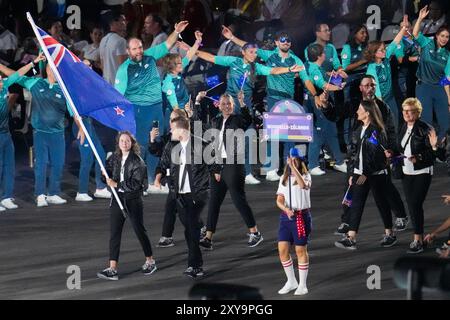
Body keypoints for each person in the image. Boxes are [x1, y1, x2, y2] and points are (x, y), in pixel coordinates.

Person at [221, 27, 323, 181]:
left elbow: (306, 79)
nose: (286, 42)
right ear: (276, 42)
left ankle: (290, 168)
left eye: (288, 40)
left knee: (290, 135)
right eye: (282, 39)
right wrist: (232, 37)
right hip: (273, 98)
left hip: (288, 99)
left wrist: (315, 94)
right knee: (273, 134)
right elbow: (249, 48)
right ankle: (271, 169)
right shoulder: (269, 55)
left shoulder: (296, 60)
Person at [195, 43, 303, 184]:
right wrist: (193, 50)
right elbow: (212, 58)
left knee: (247, 138)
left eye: (256, 52)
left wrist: (289, 69)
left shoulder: (256, 67)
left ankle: (246, 174)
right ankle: (220, 171)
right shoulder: (234, 61)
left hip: (245, 105)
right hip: (231, 105)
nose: (254, 54)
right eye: (251, 52)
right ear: (243, 52)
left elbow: (273, 70)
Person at [324, 75, 408, 235]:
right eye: (367, 85)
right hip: (357, 157)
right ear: (361, 88)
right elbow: (335, 115)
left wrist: (392, 151)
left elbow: (391, 131)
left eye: (373, 85)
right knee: (351, 189)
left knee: (385, 190)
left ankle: (401, 215)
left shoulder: (383, 107)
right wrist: (326, 104)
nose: (371, 88)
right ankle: (347, 221)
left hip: (377, 159)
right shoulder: (355, 105)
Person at [115, 20, 189, 194]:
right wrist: (122, 118)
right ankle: (139, 182)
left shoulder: (150, 56)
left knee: (157, 143)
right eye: (134, 49)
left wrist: (176, 30)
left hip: (156, 107)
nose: (139, 51)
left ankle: (155, 180)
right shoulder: (124, 70)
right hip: (138, 110)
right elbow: (118, 97)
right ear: (128, 51)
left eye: (140, 47)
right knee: (140, 145)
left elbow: (167, 45)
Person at [198, 92, 263, 250]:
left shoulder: (237, 119)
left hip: (234, 165)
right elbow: (199, 126)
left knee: (238, 199)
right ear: (219, 106)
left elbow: (249, 120)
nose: (227, 106)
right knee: (214, 202)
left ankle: (255, 232)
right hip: (217, 166)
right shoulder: (216, 121)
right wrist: (198, 103)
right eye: (224, 104)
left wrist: (242, 103)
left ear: (232, 106)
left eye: (229, 104)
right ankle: (208, 237)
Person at [15, 60, 81, 207]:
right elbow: (17, 76)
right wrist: (33, 63)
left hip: (58, 134)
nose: (56, 71)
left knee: (58, 164)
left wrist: (81, 128)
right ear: (48, 70)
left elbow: (74, 112)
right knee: (41, 164)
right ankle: (40, 194)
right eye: (53, 68)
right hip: (40, 133)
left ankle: (53, 193)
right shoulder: (36, 83)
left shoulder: (64, 89)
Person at [159, 116, 219, 278]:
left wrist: (215, 172)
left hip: (198, 194)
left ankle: (195, 266)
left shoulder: (201, 145)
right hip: (180, 194)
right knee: (189, 229)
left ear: (181, 130)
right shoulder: (173, 147)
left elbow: (215, 162)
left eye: (172, 129)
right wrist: (162, 178)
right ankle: (200, 235)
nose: (170, 131)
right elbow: (164, 164)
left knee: (191, 228)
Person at [335, 100, 397, 250]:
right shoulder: (359, 130)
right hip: (360, 173)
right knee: (356, 204)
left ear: (367, 113)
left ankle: (389, 233)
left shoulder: (376, 131)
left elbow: (377, 157)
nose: (357, 111)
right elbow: (356, 154)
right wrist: (353, 172)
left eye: (359, 109)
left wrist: (366, 174)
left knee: (382, 203)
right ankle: (351, 237)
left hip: (374, 174)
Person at [97, 131, 157, 280]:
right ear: (118, 143)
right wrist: (104, 176)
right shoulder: (114, 158)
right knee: (115, 233)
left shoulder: (138, 161)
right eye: (122, 141)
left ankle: (150, 260)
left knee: (139, 230)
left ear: (132, 143)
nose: (124, 143)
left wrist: (116, 184)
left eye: (127, 141)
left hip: (133, 200)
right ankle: (112, 268)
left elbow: (136, 184)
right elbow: (107, 174)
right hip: (117, 198)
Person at [0, 53, 46, 210]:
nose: (1, 81)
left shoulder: (5, 86)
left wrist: (34, 62)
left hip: (6, 135)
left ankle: (6, 197)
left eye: (0, 79)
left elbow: (18, 74)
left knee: (9, 166)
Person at [395, 98, 440, 253]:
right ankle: (418, 236)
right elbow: (400, 147)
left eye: (410, 111)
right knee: (413, 205)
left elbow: (434, 154)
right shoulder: (403, 127)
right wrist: (393, 154)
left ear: (418, 113)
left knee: (415, 204)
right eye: (404, 111)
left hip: (422, 171)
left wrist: (425, 153)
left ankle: (418, 239)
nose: (406, 114)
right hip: (407, 171)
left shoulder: (425, 129)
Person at [304, 43, 347, 176]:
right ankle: (314, 164)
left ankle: (337, 161)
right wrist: (339, 87)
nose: (325, 55)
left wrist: (335, 75)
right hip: (317, 102)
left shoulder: (314, 66)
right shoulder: (314, 69)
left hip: (315, 100)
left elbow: (325, 77)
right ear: (319, 56)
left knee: (326, 130)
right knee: (322, 130)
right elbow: (323, 85)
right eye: (323, 53)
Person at [73, 60, 111, 202]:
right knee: (87, 158)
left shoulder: (91, 85)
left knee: (100, 154)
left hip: (89, 123)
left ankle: (100, 188)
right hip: (80, 124)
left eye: (89, 65)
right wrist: (81, 128)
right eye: (85, 65)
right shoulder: (75, 86)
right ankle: (81, 192)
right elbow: (74, 110)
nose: (88, 67)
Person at [276, 148, 312, 296]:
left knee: (300, 250)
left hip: (301, 217)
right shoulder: (283, 179)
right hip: (286, 218)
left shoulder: (306, 176)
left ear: (300, 161)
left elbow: (303, 185)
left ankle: (303, 285)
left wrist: (292, 169)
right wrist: (285, 208)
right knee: (282, 250)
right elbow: (279, 200)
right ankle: (291, 281)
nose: (292, 162)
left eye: (295, 159)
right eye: (290, 159)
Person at [413, 6, 450, 140]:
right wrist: (420, 18)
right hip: (424, 87)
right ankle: (427, 149)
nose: (445, 39)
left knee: (445, 123)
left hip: (439, 89)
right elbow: (415, 34)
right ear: (436, 36)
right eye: (442, 36)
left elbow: (446, 79)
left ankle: (438, 146)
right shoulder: (427, 43)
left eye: (447, 37)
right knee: (426, 122)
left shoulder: (448, 55)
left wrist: (449, 101)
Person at [365, 22, 407, 129]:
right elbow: (376, 90)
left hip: (390, 97)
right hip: (380, 100)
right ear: (374, 53)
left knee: (396, 122)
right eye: (381, 50)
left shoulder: (385, 57)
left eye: (384, 49)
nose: (385, 51)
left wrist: (403, 29)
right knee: (384, 125)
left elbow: (395, 42)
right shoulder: (372, 69)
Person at [161, 31, 202, 131]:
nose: (182, 64)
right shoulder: (168, 83)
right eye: (179, 63)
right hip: (176, 119)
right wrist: (187, 116)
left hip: (186, 112)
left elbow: (189, 55)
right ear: (172, 66)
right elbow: (175, 108)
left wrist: (198, 41)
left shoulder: (176, 72)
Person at [99, 11, 127, 85]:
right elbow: (123, 66)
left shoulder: (103, 40)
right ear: (113, 23)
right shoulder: (121, 41)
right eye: (122, 20)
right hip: (119, 86)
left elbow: (102, 66)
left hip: (106, 84)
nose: (124, 23)